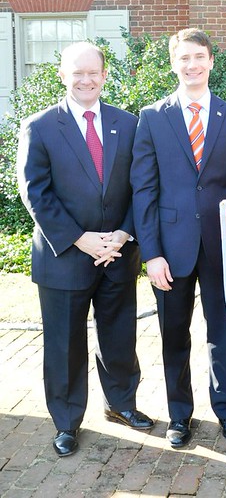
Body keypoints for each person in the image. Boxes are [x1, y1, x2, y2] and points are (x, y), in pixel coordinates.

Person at [17, 41, 154, 457]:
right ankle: (66, 421)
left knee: (119, 336)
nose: (86, 79)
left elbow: (142, 186)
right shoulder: (39, 126)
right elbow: (35, 193)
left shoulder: (128, 124)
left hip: (117, 254)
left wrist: (125, 233)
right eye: (77, 72)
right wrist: (80, 238)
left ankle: (122, 404)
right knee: (64, 344)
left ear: (104, 75)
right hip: (65, 256)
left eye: (93, 72)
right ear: (62, 75)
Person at [131, 28, 226, 449]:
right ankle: (179, 415)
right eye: (184, 58)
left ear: (211, 61)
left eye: (199, 57)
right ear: (173, 63)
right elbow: (144, 191)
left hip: (221, 247)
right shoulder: (151, 118)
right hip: (170, 248)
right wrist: (151, 254)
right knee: (174, 334)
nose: (192, 65)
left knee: (222, 333)